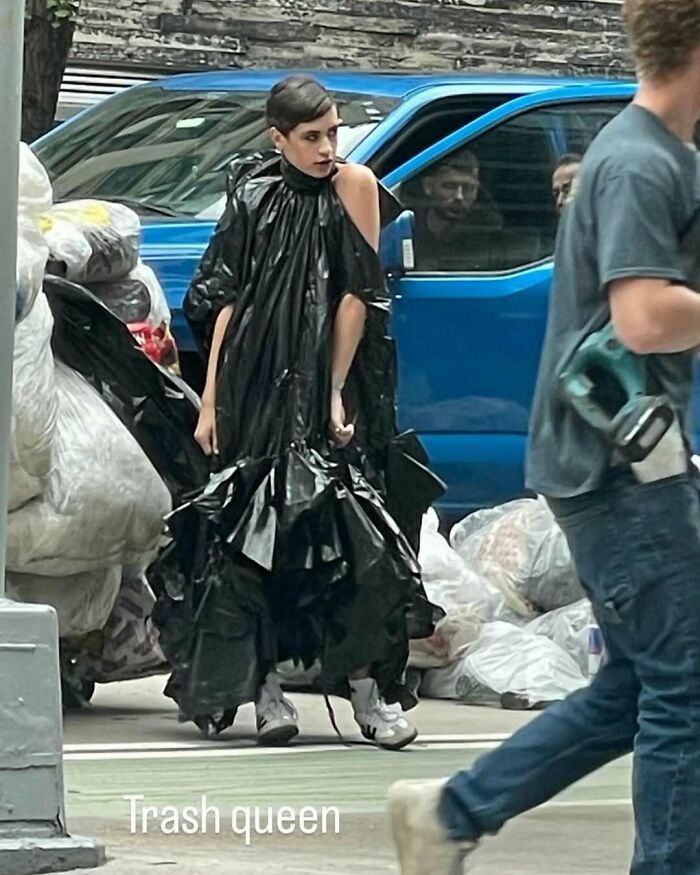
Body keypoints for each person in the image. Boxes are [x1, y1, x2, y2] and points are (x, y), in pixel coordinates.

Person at [388, 0, 700, 871]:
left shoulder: (659, 157)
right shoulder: (639, 161)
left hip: (623, 458)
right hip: (619, 466)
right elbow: (643, 316)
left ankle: (451, 813)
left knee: (639, 683)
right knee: (685, 686)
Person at [150, 76, 442, 751]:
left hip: (326, 380)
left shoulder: (354, 186)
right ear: (277, 138)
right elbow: (225, 300)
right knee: (248, 537)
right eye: (311, 136)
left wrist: (334, 389)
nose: (326, 147)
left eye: (333, 132)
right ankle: (265, 691)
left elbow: (357, 295)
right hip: (254, 381)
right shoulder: (252, 194)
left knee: (353, 532)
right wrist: (211, 399)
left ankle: (368, 694)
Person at [411, 150, 502, 270]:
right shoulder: (409, 226)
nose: (459, 196)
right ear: (428, 186)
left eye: (468, 188)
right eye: (450, 186)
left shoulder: (488, 233)